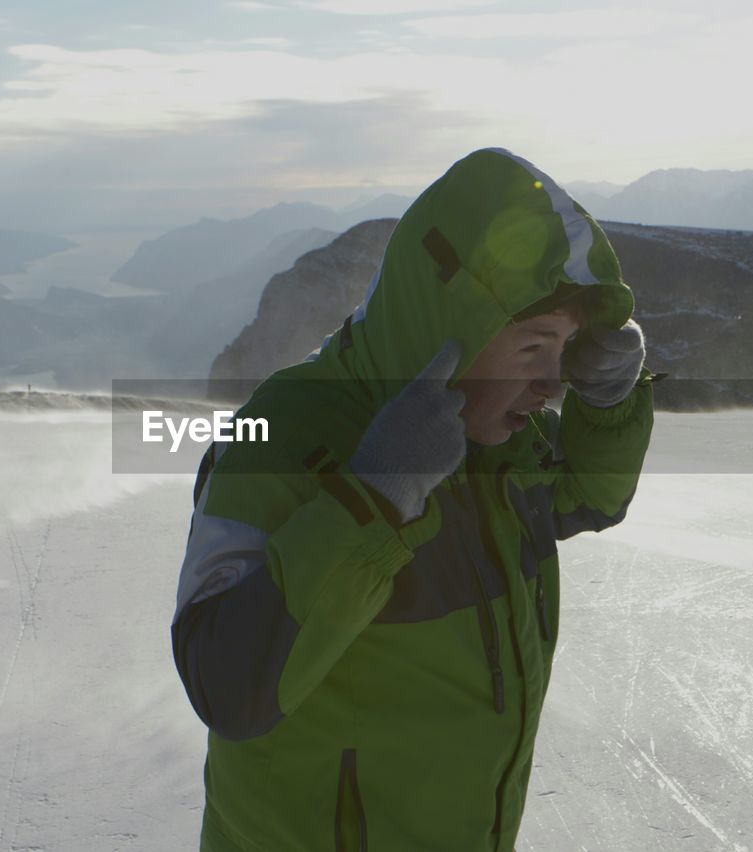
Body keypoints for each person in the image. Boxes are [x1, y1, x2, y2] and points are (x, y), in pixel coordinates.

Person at [171, 148, 657, 851]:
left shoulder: (492, 438)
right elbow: (228, 687)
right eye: (533, 349)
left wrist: (611, 404)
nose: (552, 384)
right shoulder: (280, 435)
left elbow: (588, 502)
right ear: (448, 327)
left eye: (568, 349)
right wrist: (376, 496)